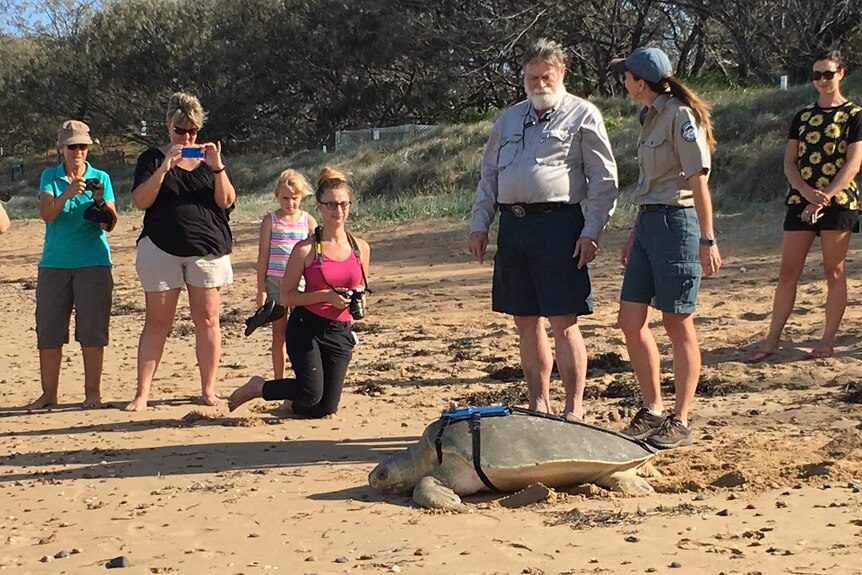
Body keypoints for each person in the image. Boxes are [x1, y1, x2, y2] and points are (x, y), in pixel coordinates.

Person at [467, 38, 619, 422]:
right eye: (532, 77)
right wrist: (479, 224)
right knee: (524, 320)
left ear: (562, 73)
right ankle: (539, 405)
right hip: (513, 227)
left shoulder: (583, 115)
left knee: (563, 320)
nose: (539, 84)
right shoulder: (508, 119)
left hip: (560, 226)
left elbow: (604, 180)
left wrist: (592, 231)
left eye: (546, 76)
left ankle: (574, 409)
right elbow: (489, 176)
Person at [610, 47, 721, 449]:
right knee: (630, 320)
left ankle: (681, 418)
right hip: (649, 224)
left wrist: (707, 238)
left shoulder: (680, 116)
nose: (623, 81)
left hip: (677, 225)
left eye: (625, 76)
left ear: (640, 81)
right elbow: (649, 188)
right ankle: (653, 408)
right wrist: (635, 234)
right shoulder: (650, 115)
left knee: (677, 323)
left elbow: (698, 181)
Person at [746, 50, 862, 364]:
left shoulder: (854, 115)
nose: (822, 80)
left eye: (828, 73)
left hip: (839, 204)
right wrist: (806, 192)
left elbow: (853, 163)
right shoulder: (804, 116)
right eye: (816, 75)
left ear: (841, 73)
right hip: (801, 200)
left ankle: (827, 341)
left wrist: (826, 195)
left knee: (833, 271)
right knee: (787, 273)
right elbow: (789, 162)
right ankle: (771, 340)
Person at [228, 166, 370, 418]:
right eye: (331, 205)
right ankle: (258, 387)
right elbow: (287, 296)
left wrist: (358, 298)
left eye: (344, 204)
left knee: (325, 407)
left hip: (340, 330)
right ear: (319, 206)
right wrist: (325, 296)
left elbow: (360, 287)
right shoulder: (305, 250)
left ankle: (290, 405)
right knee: (310, 391)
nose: (338, 211)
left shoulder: (360, 248)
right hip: (307, 327)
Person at [125, 92, 236, 411]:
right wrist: (164, 168)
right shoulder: (151, 158)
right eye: (180, 130)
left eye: (192, 131)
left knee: (208, 319)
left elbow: (226, 200)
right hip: (161, 247)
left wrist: (217, 167)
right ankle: (142, 393)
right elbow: (141, 201)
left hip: (207, 248)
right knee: (157, 321)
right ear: (168, 126)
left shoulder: (211, 158)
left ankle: (209, 389)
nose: (186, 137)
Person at [25, 120, 117, 409]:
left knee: (92, 330)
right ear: (61, 148)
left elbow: (109, 223)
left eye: (83, 146)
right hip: (54, 263)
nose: (78, 152)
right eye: (72, 146)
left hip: (93, 262)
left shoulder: (100, 176)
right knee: (49, 331)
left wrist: (100, 202)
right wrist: (68, 192)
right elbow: (47, 214)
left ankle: (92, 393)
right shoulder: (49, 177)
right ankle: (49, 394)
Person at [254, 169, 317, 403]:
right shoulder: (271, 221)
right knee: (278, 334)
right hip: (275, 283)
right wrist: (260, 289)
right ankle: (279, 382)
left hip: (300, 285)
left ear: (302, 197)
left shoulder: (308, 221)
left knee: (300, 334)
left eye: (295, 198)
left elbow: (315, 256)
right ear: (276, 196)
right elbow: (263, 257)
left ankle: (301, 379)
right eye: (285, 198)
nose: (290, 203)